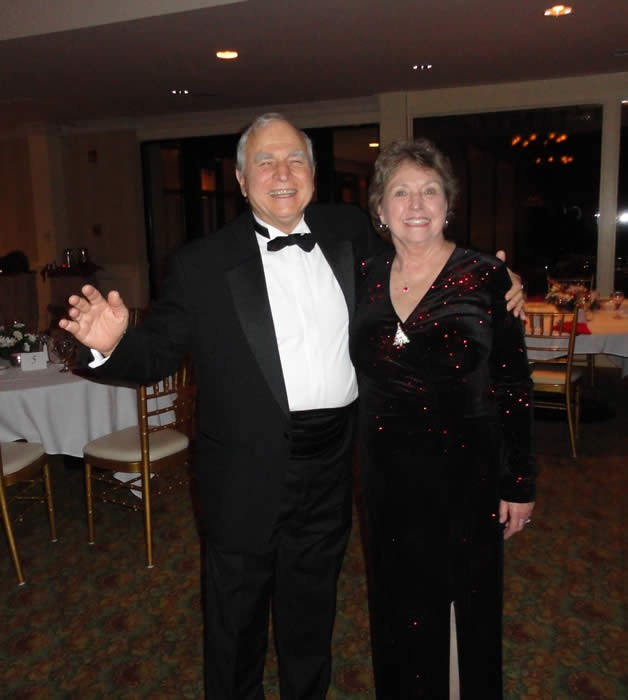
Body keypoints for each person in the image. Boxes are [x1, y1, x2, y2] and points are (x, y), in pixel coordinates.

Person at [60, 115, 524, 700]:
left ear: (312, 172)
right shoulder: (201, 263)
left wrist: (499, 281)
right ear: (240, 178)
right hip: (244, 471)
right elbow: (156, 353)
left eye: (295, 160)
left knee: (311, 615)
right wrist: (111, 344)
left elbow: (423, 255)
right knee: (236, 623)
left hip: (333, 464)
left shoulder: (349, 231)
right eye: (265, 162)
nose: (282, 173)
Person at [350, 138, 535, 699]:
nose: (416, 204)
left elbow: (513, 385)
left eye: (430, 191)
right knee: (396, 602)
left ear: (448, 204)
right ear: (380, 208)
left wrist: (518, 482)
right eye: (401, 192)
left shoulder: (487, 276)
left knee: (462, 604)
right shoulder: (360, 272)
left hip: (465, 474)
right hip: (384, 475)